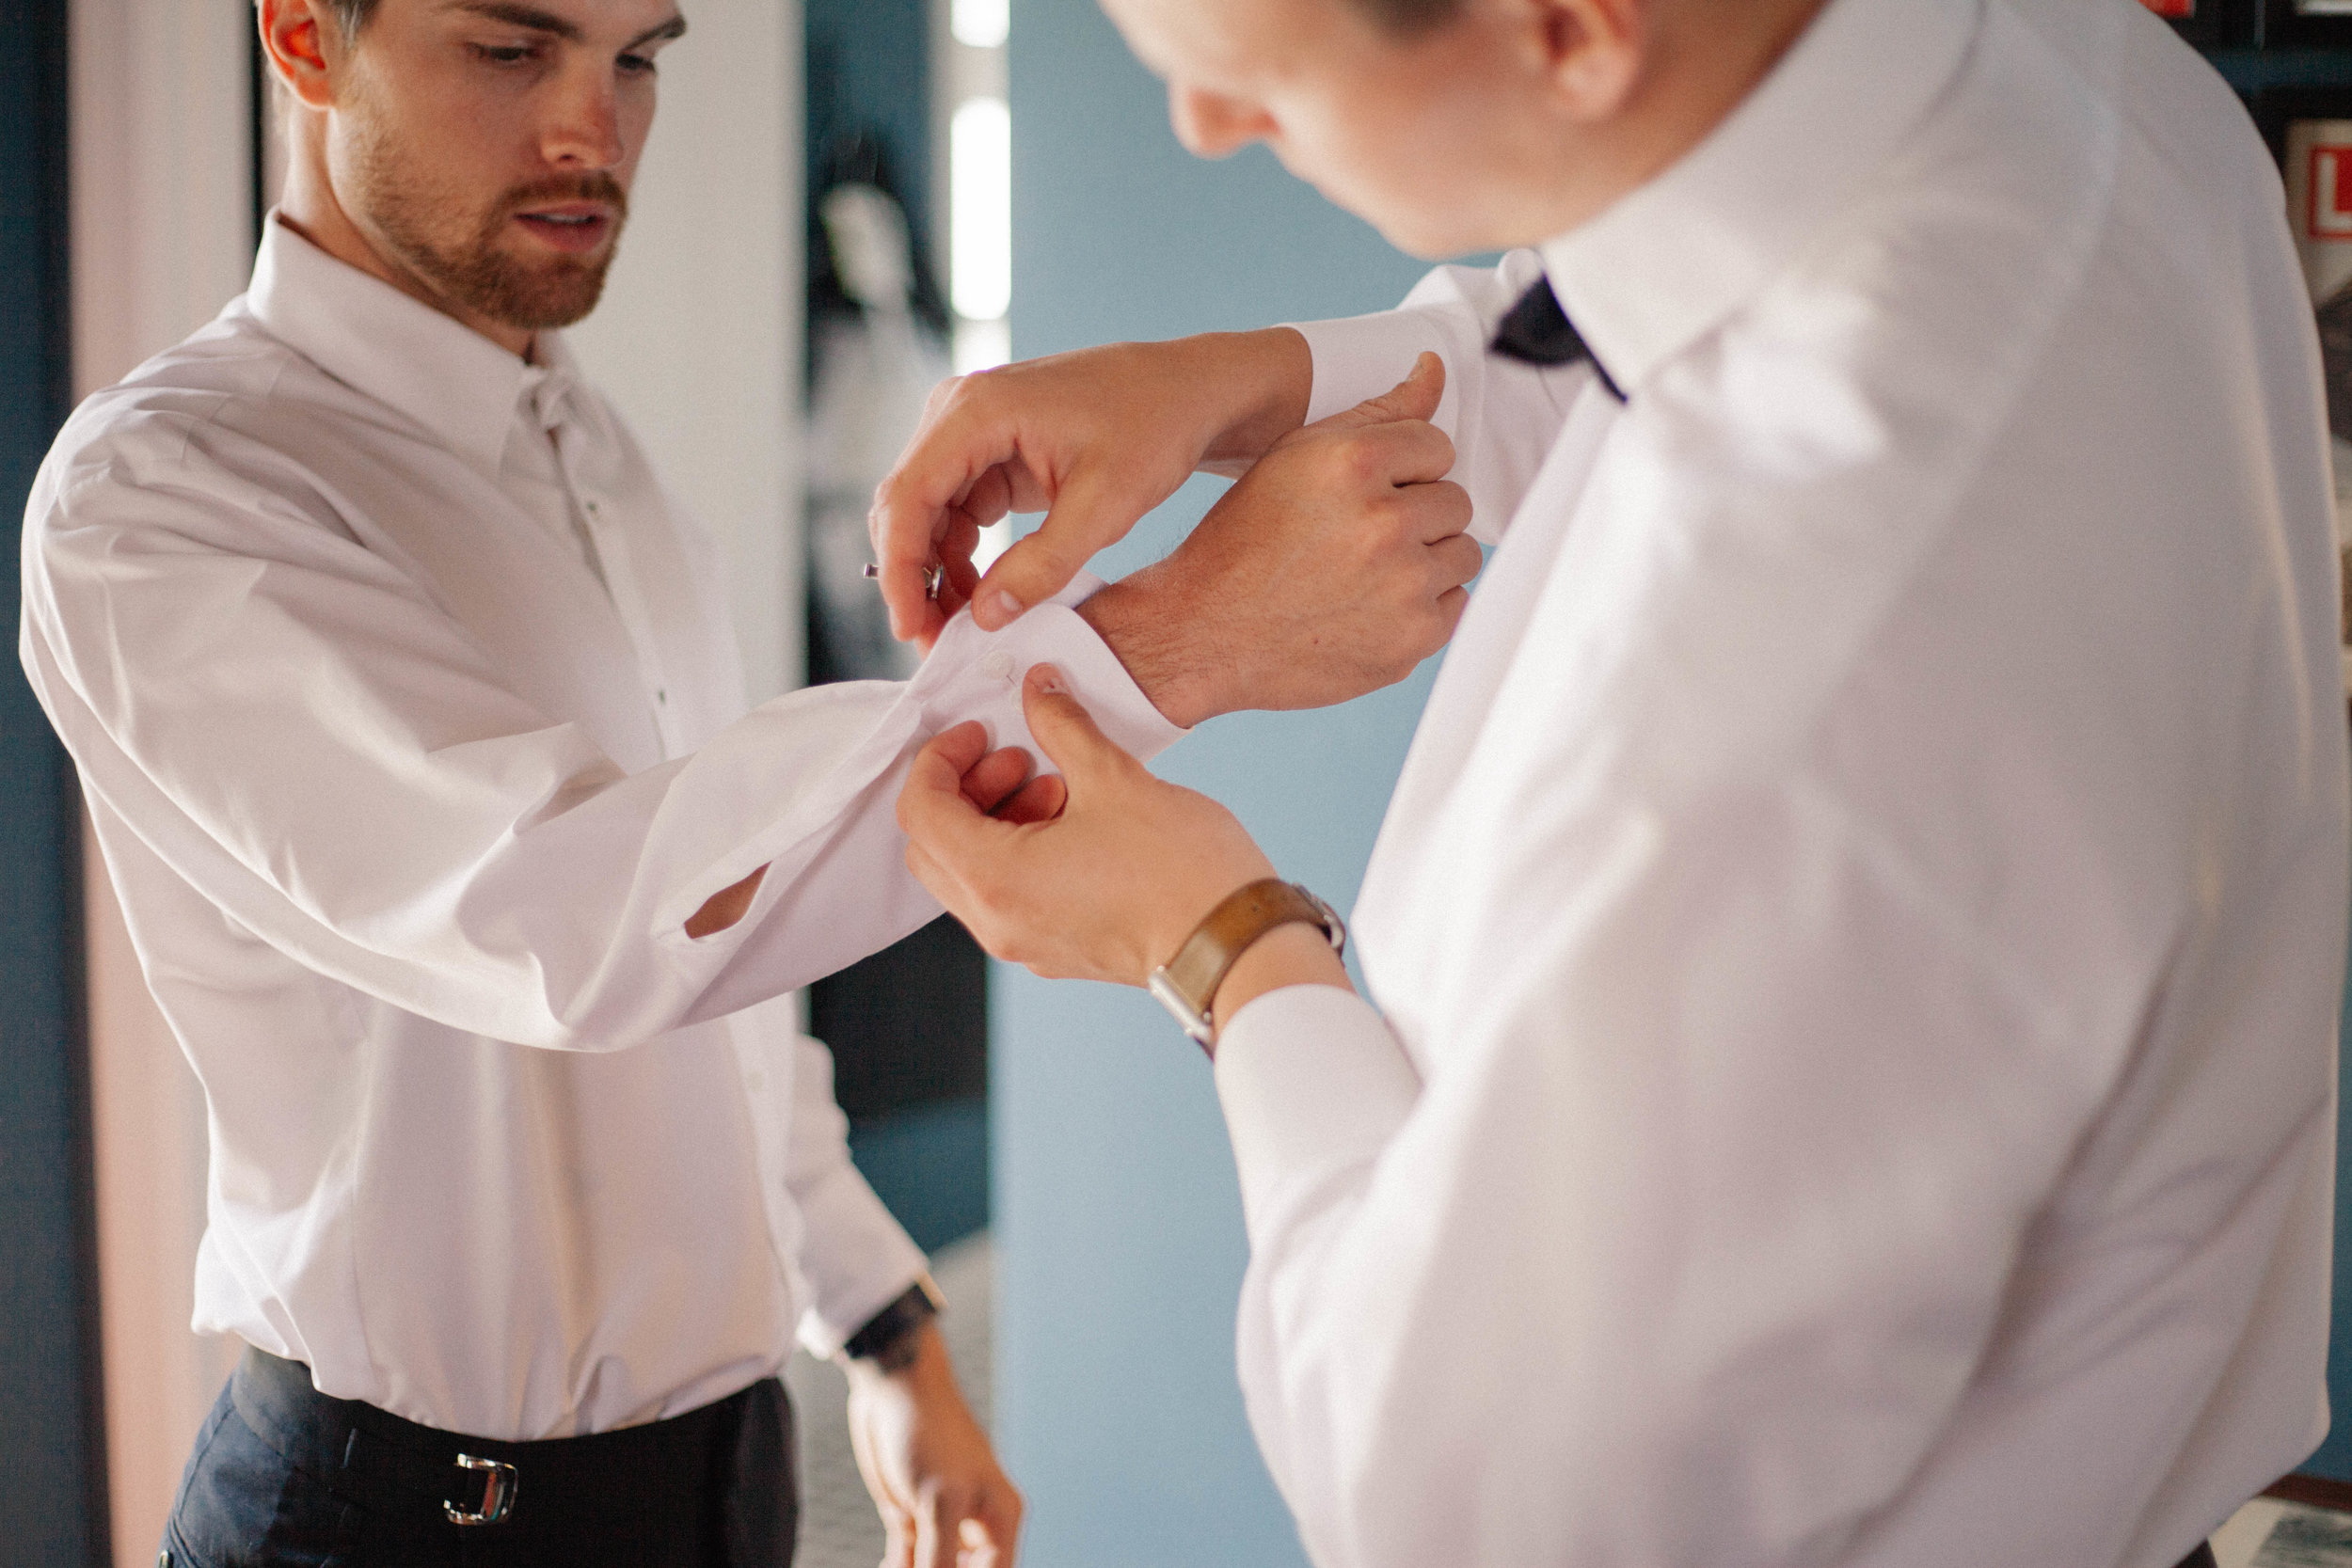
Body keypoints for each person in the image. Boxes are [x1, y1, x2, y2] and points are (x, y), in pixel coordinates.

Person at [877, 0, 2351, 1563]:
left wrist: (1222, 941)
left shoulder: (1815, 669)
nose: (1202, 126)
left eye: (1256, 76)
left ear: (1571, 31)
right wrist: (1243, 383)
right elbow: (1638, 305)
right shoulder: (2059, 54)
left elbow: (1462, 1502)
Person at [13, 1, 1478, 1564]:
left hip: (728, 1485)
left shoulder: (605, 460)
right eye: (513, 51)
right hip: (405, 1523)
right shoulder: (164, 493)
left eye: (638, 57)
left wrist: (886, 1325)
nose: (595, 128)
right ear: (305, 36)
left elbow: (732, 962)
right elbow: (573, 915)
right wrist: (1175, 637)